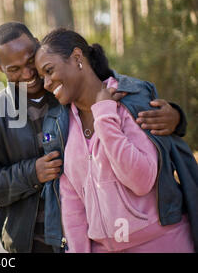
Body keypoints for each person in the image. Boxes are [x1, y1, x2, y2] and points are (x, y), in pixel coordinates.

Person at [0, 22, 187, 253]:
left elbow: (127, 96)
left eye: (30, 62)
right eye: (14, 69)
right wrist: (30, 174)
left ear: (38, 47)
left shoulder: (69, 90)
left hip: (101, 237)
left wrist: (177, 118)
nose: (28, 74)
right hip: (33, 242)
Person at [34, 28, 196, 252]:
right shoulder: (61, 124)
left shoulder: (129, 98)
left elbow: (141, 180)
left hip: (161, 243)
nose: (46, 83)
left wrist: (104, 115)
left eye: (49, 71)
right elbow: (73, 205)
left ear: (77, 58)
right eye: (42, 77)